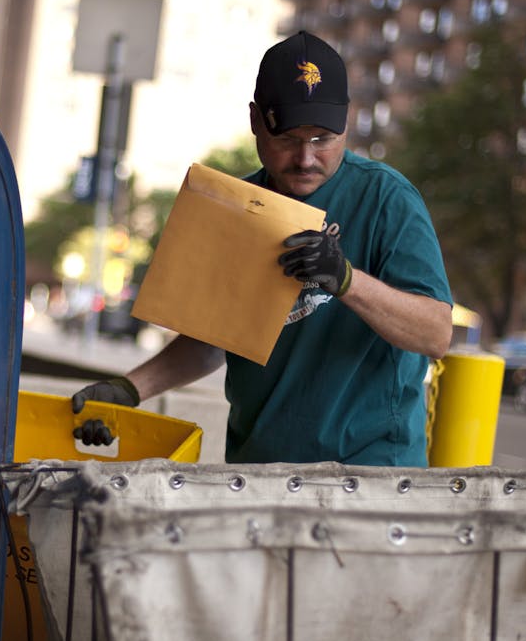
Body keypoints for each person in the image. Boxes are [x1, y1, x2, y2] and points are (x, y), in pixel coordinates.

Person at [72, 31, 452, 466]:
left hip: (372, 475)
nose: (306, 158)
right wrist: (129, 389)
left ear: (347, 123)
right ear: (255, 121)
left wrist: (345, 279)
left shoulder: (388, 199)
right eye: (289, 139)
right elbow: (210, 342)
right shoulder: (234, 207)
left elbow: (435, 334)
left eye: (323, 139)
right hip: (260, 469)